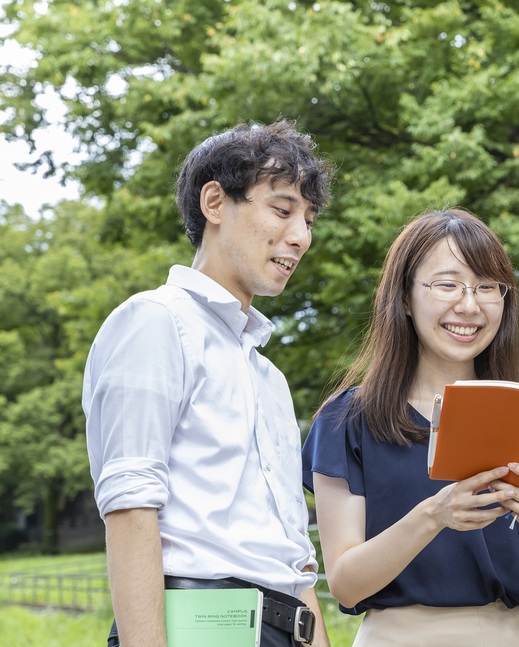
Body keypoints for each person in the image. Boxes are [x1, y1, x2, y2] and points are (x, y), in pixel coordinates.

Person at [83, 120, 333, 647]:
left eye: (309, 220)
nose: (301, 236)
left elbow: (293, 551)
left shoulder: (269, 378)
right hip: (197, 627)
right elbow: (130, 506)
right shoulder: (156, 321)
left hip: (284, 629)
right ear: (215, 202)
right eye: (283, 210)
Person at [302, 208, 519, 646]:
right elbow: (344, 583)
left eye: (487, 287)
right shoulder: (349, 419)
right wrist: (433, 516)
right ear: (403, 297)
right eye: (447, 284)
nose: (469, 305)